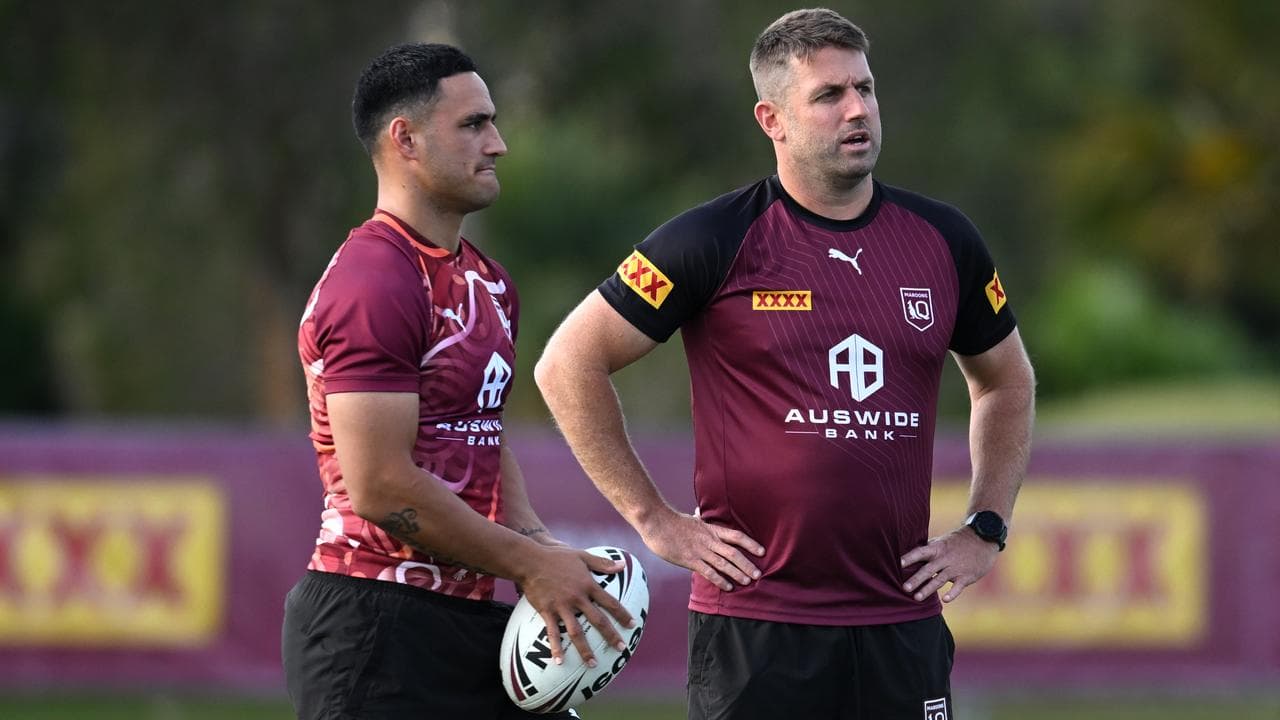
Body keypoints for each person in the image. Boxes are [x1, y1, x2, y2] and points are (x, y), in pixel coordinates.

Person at [534, 9, 1035, 720]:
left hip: (900, 626)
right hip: (757, 630)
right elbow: (567, 364)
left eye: (865, 88)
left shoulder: (944, 240)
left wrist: (986, 525)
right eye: (829, 96)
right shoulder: (713, 238)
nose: (858, 109)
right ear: (772, 119)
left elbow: (1006, 380)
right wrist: (654, 519)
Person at [282, 42, 633, 720]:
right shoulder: (374, 278)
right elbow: (381, 485)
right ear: (405, 139)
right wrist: (528, 566)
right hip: (371, 620)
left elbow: (479, 432)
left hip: (465, 613)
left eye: (493, 122)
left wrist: (535, 543)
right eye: (473, 124)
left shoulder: (489, 282)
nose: (497, 144)